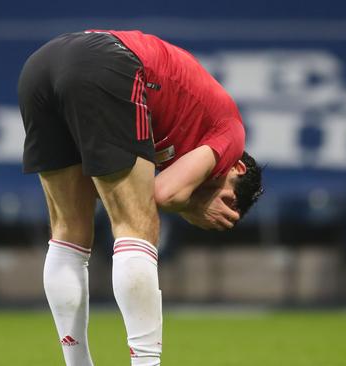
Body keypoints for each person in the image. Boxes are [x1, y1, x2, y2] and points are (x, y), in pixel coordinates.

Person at [17, 29, 263, 366]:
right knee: (138, 225)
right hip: (107, 62)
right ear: (237, 169)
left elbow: (127, 188)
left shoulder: (185, 134)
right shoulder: (231, 134)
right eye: (227, 202)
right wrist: (195, 203)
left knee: (69, 233)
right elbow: (164, 193)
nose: (213, 207)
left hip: (42, 66)